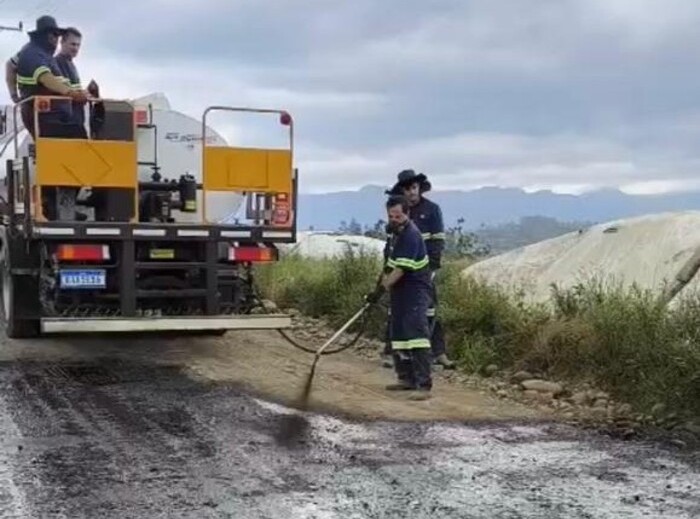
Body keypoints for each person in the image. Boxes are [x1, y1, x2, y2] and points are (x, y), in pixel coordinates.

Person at [384, 169, 456, 369]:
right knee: (396, 312)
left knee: (429, 311)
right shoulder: (398, 212)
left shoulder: (432, 210)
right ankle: (392, 352)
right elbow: (391, 244)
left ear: (419, 188)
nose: (412, 192)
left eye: (414, 187)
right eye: (407, 189)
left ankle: (438, 352)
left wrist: (431, 269)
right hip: (402, 270)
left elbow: (437, 242)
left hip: (422, 271)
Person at [366, 195, 433, 400]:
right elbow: (389, 267)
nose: (394, 220)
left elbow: (400, 270)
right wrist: (377, 289)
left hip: (415, 291)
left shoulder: (411, 235)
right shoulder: (395, 236)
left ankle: (423, 385)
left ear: (407, 214)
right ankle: (406, 378)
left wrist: (382, 289)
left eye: (398, 216)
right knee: (399, 335)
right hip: (400, 292)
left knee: (416, 335)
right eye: (391, 216)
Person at [13, 15, 89, 139]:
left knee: (79, 136)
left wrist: (13, 94)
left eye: (57, 35)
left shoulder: (42, 54)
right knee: (79, 139)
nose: (56, 38)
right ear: (44, 35)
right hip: (46, 117)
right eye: (54, 34)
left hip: (55, 117)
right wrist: (72, 93)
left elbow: (10, 65)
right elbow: (46, 78)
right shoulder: (34, 53)